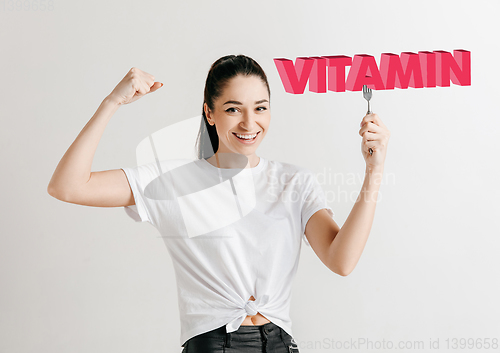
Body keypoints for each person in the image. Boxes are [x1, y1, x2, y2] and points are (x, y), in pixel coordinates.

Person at [47, 54, 391, 353]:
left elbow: (341, 260)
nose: (249, 123)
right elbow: (68, 186)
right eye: (232, 109)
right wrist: (112, 102)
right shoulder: (172, 182)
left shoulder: (293, 181)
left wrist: (374, 170)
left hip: (281, 344)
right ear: (209, 114)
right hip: (212, 345)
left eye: (260, 108)